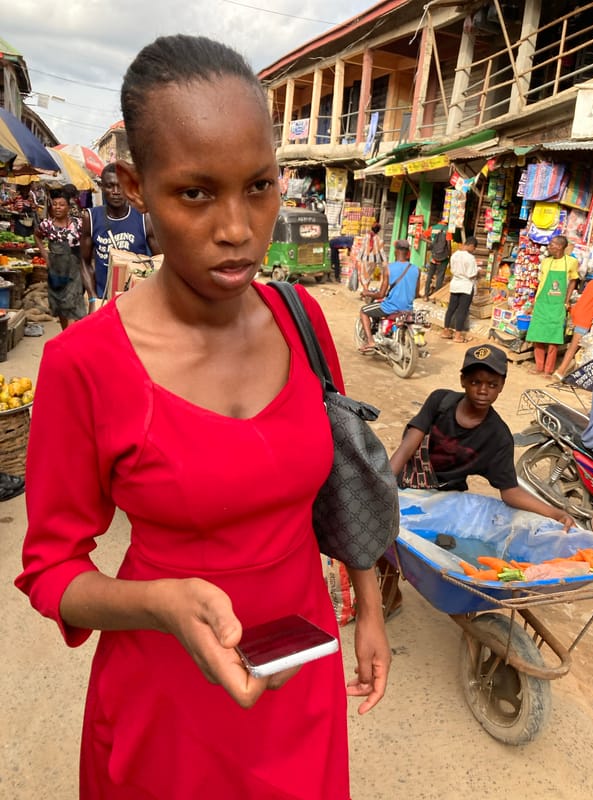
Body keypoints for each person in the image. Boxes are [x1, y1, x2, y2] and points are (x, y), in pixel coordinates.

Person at [15, 35, 390, 799]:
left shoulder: (301, 320)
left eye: (259, 186)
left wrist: (370, 606)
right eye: (195, 193)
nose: (238, 227)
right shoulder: (84, 364)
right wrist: (159, 604)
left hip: (299, 672)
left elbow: (342, 480)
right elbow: (52, 570)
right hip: (167, 698)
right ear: (134, 187)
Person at [378, 344, 576, 612]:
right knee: (383, 538)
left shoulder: (498, 437)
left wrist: (555, 512)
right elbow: (407, 446)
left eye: (492, 384)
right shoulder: (440, 402)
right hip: (409, 485)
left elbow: (509, 491)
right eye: (475, 382)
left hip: (448, 497)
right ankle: (390, 595)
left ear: (502, 385)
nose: (483, 390)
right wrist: (383, 484)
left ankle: (459, 597)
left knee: (454, 553)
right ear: (463, 380)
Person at [80, 162, 160, 301]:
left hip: (137, 300)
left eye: (120, 186)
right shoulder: (91, 218)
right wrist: (92, 297)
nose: (116, 191)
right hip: (104, 299)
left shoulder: (143, 217)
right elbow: (84, 262)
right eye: (110, 186)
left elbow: (160, 261)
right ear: (102, 187)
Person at [33, 191, 93, 331]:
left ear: (68, 207)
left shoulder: (78, 223)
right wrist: (46, 256)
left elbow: (87, 241)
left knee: (72, 302)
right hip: (57, 270)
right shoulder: (47, 225)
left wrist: (88, 261)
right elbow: (37, 236)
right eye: (54, 204)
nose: (57, 207)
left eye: (61, 204)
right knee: (60, 305)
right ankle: (66, 333)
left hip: (75, 268)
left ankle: (70, 335)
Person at [526, 234, 579, 376]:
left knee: (553, 338)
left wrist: (566, 301)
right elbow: (541, 283)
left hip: (557, 305)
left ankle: (548, 370)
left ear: (561, 246)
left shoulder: (571, 262)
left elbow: (573, 281)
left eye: (553, 244)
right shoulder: (545, 262)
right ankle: (539, 367)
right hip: (542, 303)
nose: (549, 246)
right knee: (537, 335)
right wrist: (533, 303)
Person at [358, 239, 420, 351]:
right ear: (408, 253)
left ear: (395, 252)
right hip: (408, 309)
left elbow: (381, 294)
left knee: (363, 311)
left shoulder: (388, 268)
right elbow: (416, 294)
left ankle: (371, 341)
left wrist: (367, 293)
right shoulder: (416, 269)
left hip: (390, 307)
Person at [553, 277, 593, 380]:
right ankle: (560, 371)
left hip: (577, 311)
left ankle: (569, 370)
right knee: (574, 346)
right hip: (585, 317)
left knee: (579, 346)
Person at [440, 236, 480, 343]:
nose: (474, 250)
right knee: (462, 311)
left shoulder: (454, 255)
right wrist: (479, 272)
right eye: (474, 248)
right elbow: (471, 274)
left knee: (451, 309)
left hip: (455, 285)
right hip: (466, 286)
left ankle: (445, 331)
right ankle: (457, 336)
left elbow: (452, 269)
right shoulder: (470, 258)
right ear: (471, 246)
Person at [422, 220, 451, 300]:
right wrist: (449, 255)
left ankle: (426, 295)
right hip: (443, 258)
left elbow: (422, 236)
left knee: (430, 276)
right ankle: (435, 296)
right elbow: (448, 244)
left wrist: (432, 242)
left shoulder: (433, 228)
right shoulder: (448, 229)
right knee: (440, 277)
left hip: (434, 256)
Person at [357, 222, 386, 292]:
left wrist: (358, 258)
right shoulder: (379, 239)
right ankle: (365, 293)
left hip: (366, 260)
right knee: (368, 276)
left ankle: (366, 291)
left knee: (363, 277)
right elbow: (381, 251)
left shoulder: (366, 237)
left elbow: (362, 248)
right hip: (374, 261)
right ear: (378, 230)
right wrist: (384, 261)